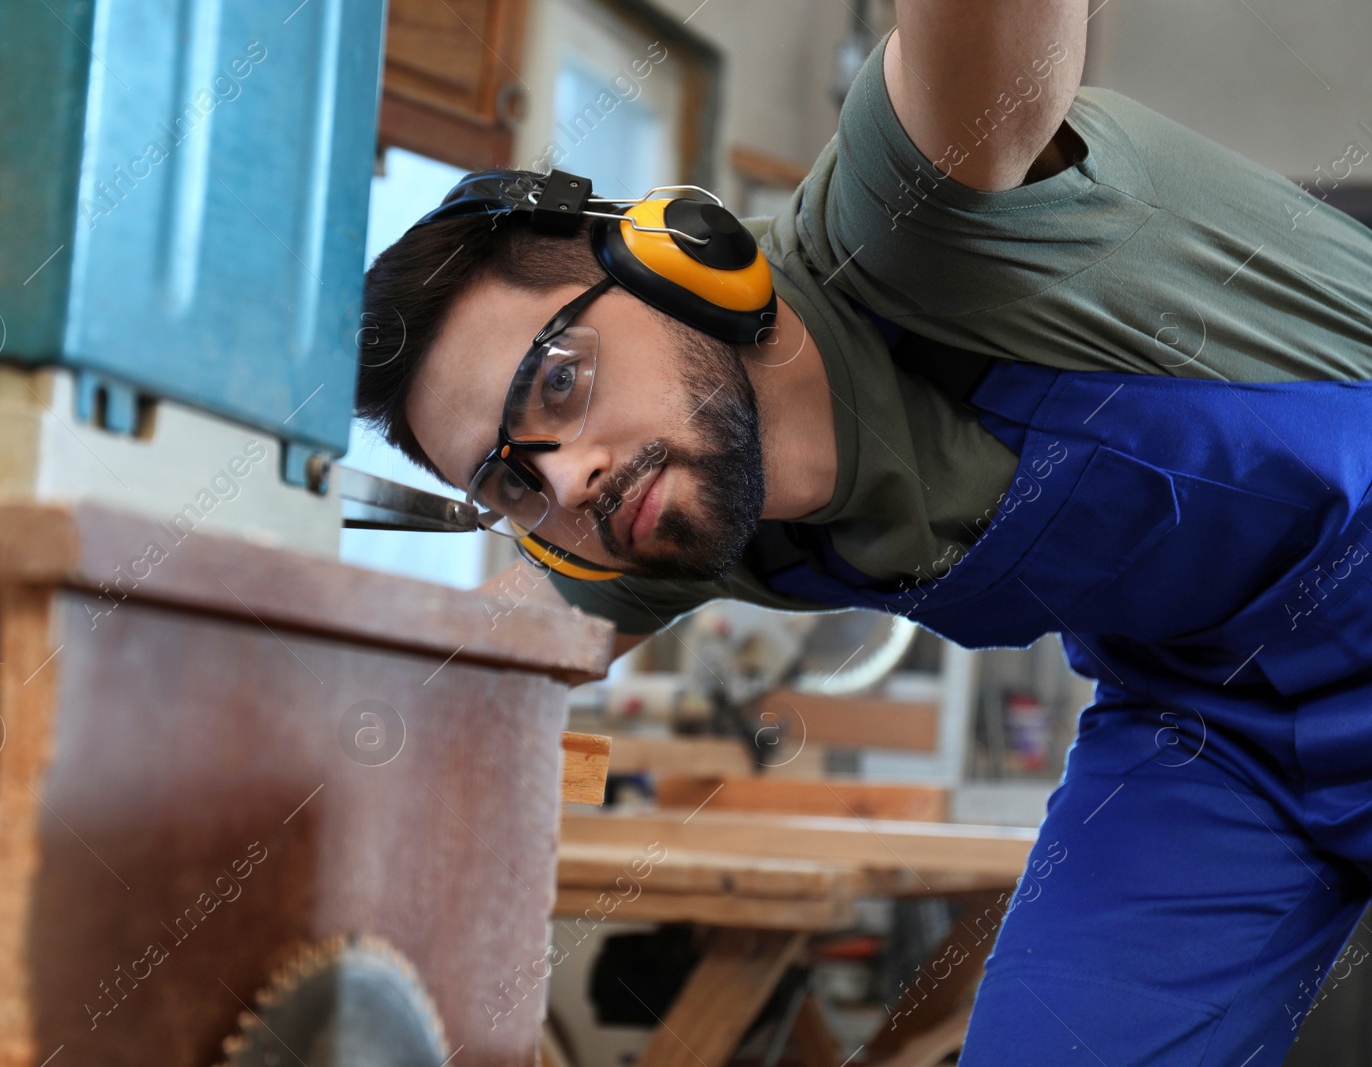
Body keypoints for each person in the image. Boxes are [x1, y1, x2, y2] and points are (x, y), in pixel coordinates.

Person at [356, 2, 1372, 1062]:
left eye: (558, 383)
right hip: (1204, 724)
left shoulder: (915, 214)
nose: (570, 478)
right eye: (511, 483)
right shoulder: (677, 517)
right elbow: (452, 681)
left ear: (672, 257)